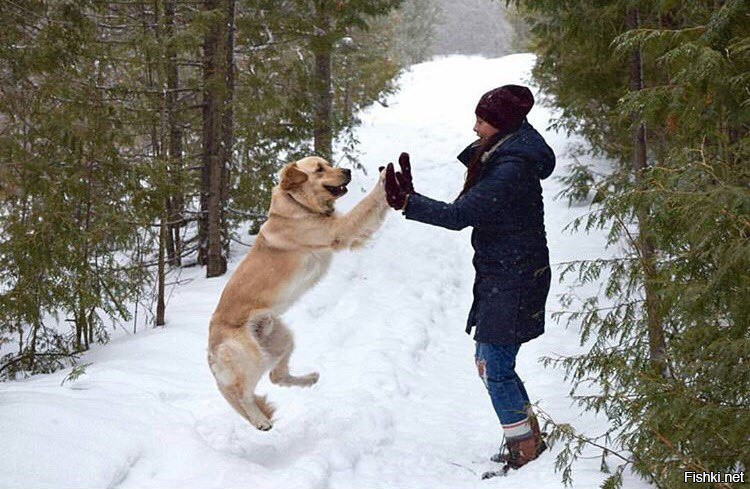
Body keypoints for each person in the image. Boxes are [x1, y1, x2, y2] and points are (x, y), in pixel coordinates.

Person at [383, 84, 555, 473]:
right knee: (490, 361)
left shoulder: (511, 166)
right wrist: (412, 197)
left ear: (501, 125)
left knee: (494, 364)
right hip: (505, 270)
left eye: (481, 121)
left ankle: (525, 452)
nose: (474, 127)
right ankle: (527, 440)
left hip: (516, 274)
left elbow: (461, 215)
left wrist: (409, 202)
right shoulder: (505, 151)